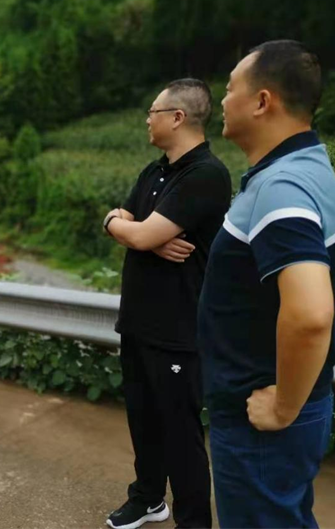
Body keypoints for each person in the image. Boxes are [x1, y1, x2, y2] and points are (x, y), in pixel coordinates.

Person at [198, 40, 335, 529]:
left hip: (262, 419)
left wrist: (282, 408)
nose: (222, 99)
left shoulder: (282, 187)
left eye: (230, 88)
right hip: (294, 404)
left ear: (262, 101)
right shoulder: (310, 168)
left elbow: (312, 314)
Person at [102, 79, 232, 529]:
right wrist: (131, 229)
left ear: (177, 117)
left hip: (178, 327)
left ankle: (193, 521)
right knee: (143, 419)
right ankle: (148, 498)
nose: (147, 120)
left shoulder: (206, 174)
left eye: (153, 112)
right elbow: (128, 222)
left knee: (180, 432)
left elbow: (135, 230)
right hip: (138, 320)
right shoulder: (154, 171)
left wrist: (135, 232)